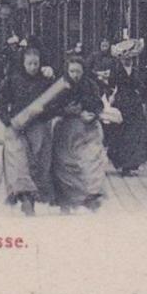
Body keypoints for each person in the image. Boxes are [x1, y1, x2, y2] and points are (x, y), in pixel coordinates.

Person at [0, 47, 57, 215]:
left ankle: (33, 196)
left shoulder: (45, 81)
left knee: (37, 163)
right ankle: (25, 198)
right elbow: (0, 100)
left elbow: (55, 102)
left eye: (35, 63)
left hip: (39, 126)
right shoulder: (13, 80)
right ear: (23, 63)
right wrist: (7, 120)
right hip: (18, 127)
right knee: (19, 162)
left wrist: (45, 114)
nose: (33, 67)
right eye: (29, 63)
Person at [47, 57, 107, 213]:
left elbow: (98, 105)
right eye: (72, 71)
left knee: (90, 163)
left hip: (87, 130)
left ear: (83, 71)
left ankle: (90, 197)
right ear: (67, 71)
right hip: (66, 129)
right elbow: (50, 107)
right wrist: (66, 111)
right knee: (64, 164)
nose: (75, 75)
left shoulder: (90, 85)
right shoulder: (60, 87)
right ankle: (65, 203)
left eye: (78, 71)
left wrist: (92, 114)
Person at [104, 38, 147, 176]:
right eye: (126, 58)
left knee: (135, 133)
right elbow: (110, 85)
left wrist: (142, 97)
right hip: (121, 102)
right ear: (121, 59)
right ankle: (123, 164)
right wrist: (111, 97)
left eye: (131, 58)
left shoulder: (136, 70)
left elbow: (141, 86)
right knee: (121, 133)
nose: (128, 61)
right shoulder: (116, 70)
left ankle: (133, 163)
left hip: (134, 103)